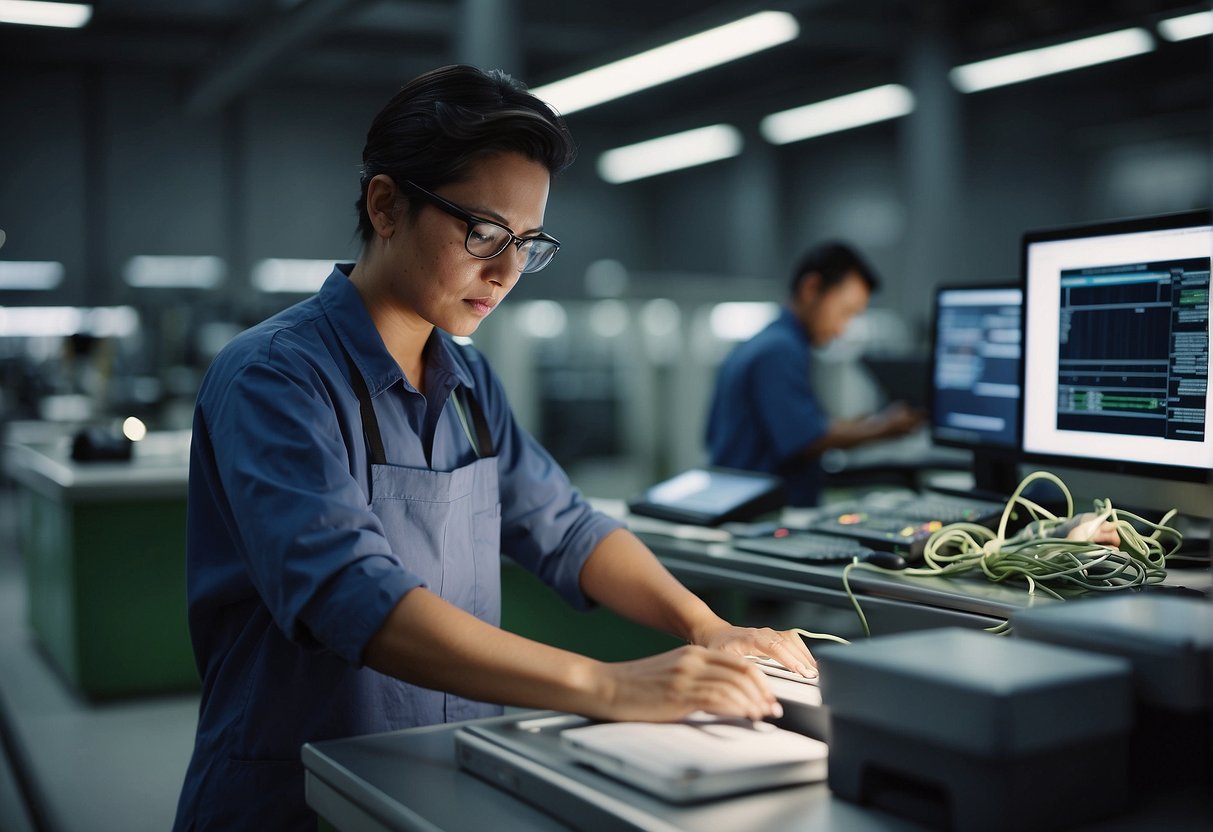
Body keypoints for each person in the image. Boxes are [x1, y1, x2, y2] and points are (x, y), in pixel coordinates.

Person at [172, 65, 817, 831]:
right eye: (482, 233)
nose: (508, 271)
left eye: (528, 243)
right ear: (386, 205)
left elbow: (568, 529)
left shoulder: (468, 379)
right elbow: (351, 596)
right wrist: (610, 687)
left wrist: (707, 625)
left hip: (446, 777)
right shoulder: (274, 378)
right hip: (296, 794)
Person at [705, 242, 923, 507]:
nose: (842, 330)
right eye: (844, 312)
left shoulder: (760, 342)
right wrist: (884, 428)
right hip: (763, 514)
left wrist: (856, 424)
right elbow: (805, 438)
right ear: (811, 288)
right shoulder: (780, 350)